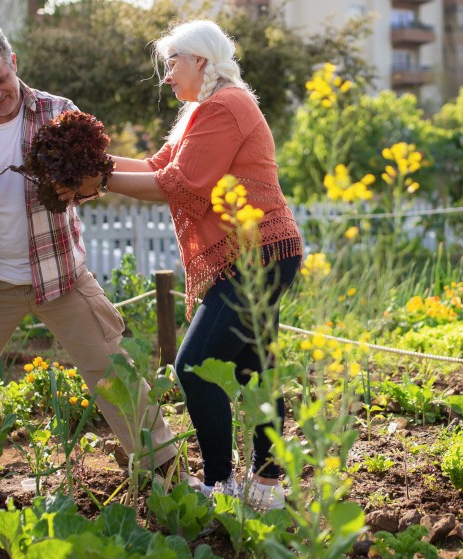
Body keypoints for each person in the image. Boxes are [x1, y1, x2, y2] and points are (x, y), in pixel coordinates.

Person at [0, 24, 177, 480]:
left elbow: (96, 181)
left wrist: (76, 184)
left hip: (61, 277)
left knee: (115, 371)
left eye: (0, 81)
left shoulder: (59, 113)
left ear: (13, 63)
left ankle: (165, 470)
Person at [65, 20, 302, 511]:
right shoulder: (204, 111)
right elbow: (157, 168)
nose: (167, 75)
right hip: (258, 252)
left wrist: (98, 178)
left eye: (172, 63)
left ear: (200, 60)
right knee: (257, 369)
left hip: (255, 255)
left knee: (193, 368)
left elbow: (181, 183)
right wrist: (92, 164)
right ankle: (267, 486)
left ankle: (222, 485)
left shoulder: (227, 105)